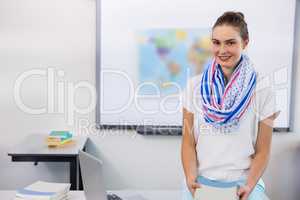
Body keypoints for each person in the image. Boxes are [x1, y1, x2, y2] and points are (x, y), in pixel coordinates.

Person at [181, 11, 279, 200]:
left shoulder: (263, 89)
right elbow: (188, 142)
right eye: (216, 42)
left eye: (230, 42)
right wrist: (190, 178)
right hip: (202, 181)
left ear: (245, 42)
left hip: (245, 183)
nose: (222, 50)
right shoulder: (194, 86)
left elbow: (263, 150)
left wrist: (249, 186)